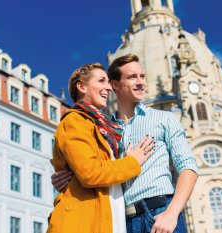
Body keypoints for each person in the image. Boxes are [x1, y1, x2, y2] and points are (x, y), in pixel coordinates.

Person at [53, 54, 198, 233]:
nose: (140, 82)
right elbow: (91, 169)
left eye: (142, 76)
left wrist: (172, 212)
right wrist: (69, 177)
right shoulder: (103, 130)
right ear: (115, 85)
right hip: (121, 222)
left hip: (160, 213)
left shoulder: (164, 118)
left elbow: (188, 166)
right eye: (132, 77)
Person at [47, 63, 155, 233]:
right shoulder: (75, 121)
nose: (108, 87)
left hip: (109, 220)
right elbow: (90, 173)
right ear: (82, 87)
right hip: (81, 222)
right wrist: (132, 162)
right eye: (101, 81)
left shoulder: (106, 129)